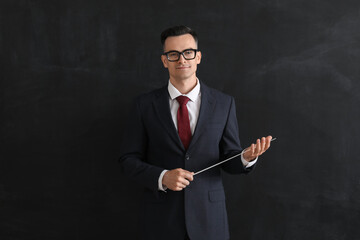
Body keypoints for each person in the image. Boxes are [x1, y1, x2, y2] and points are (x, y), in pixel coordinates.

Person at [119, 25, 273, 240]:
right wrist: (162, 178)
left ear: (198, 57)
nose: (182, 60)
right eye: (173, 54)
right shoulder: (144, 105)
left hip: (209, 219)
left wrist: (246, 158)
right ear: (164, 60)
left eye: (188, 52)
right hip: (160, 219)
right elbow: (128, 160)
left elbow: (229, 158)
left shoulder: (223, 103)